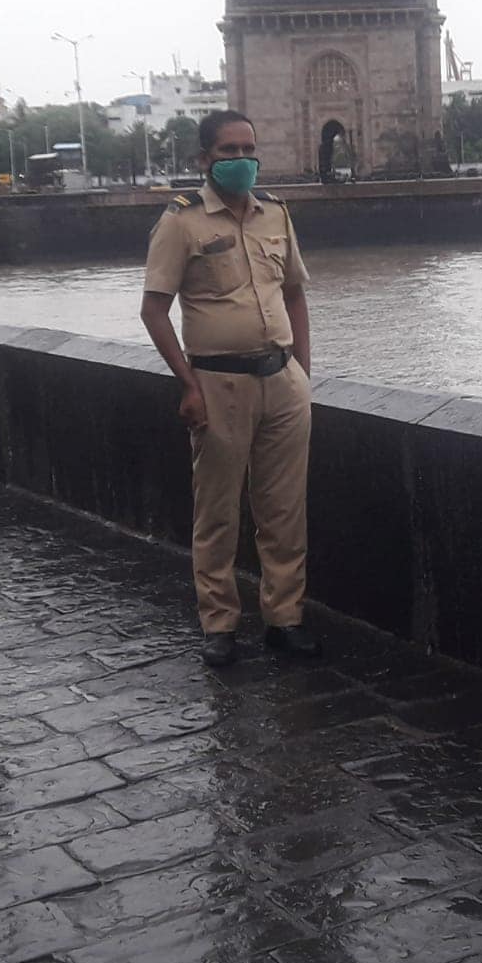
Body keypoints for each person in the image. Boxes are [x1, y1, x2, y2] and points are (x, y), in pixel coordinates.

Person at [140, 110, 320, 668]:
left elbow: (294, 294)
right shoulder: (181, 222)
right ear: (204, 160)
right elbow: (153, 311)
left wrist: (302, 374)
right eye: (228, 151)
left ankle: (284, 619)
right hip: (218, 383)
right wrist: (187, 384)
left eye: (249, 148)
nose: (241, 160)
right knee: (217, 513)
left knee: (285, 511)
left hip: (281, 379)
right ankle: (219, 624)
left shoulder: (276, 216)